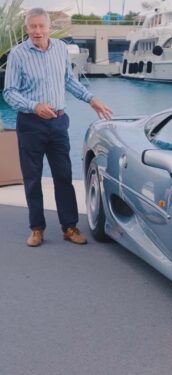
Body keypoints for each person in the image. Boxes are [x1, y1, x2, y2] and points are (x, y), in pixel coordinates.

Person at [3, 8, 113, 247]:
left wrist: (91, 99)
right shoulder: (18, 54)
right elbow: (9, 92)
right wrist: (34, 106)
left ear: (49, 27)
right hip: (31, 123)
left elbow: (68, 81)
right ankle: (36, 229)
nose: (37, 31)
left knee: (63, 175)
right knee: (32, 179)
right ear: (27, 29)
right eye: (33, 27)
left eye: (42, 26)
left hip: (58, 123)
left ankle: (70, 227)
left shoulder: (61, 49)